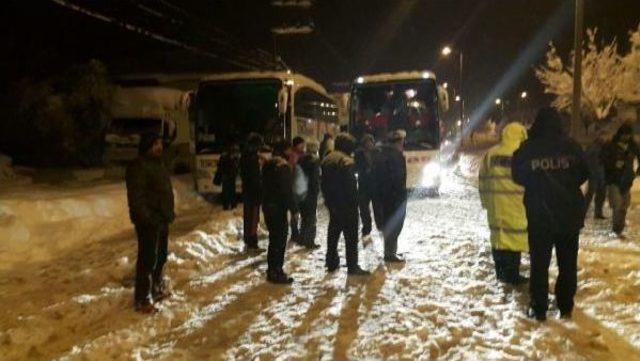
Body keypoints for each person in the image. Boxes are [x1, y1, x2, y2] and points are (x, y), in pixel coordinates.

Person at [512, 107, 589, 321]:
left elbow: (517, 175)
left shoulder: (528, 148)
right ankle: (565, 306)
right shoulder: (571, 147)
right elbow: (584, 172)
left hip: (540, 215)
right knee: (567, 263)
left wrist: (538, 183)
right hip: (569, 214)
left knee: (539, 263)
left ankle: (539, 308)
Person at [125, 132, 175, 313]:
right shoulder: (138, 166)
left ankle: (156, 288)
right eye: (155, 143)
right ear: (147, 145)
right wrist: (147, 218)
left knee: (160, 257)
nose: (159, 147)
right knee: (147, 259)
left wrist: (167, 213)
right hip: (148, 222)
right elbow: (136, 198)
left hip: (161, 220)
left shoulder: (158, 164)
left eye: (160, 143)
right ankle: (142, 298)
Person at [479, 122, 529, 285]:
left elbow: (483, 180)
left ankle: (500, 271)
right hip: (517, 205)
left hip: (495, 206)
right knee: (514, 240)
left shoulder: (491, 154)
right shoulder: (522, 154)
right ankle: (512, 274)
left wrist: (486, 202)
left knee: (498, 238)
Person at [321, 133, 370, 275]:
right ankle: (352, 265)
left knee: (333, 233)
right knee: (351, 236)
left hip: (332, 202)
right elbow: (350, 185)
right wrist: (356, 201)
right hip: (346, 204)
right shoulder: (346, 161)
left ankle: (331, 261)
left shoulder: (327, 158)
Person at [262, 140, 296, 284]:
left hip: (268, 206)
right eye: (290, 150)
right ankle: (277, 272)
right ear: (285, 151)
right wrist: (294, 210)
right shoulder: (283, 166)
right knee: (280, 240)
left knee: (273, 239)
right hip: (278, 208)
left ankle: (272, 270)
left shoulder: (268, 164)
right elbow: (286, 191)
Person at [373, 130, 408, 263]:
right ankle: (390, 254)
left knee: (388, 223)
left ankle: (390, 252)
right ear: (399, 142)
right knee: (394, 225)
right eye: (402, 141)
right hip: (394, 197)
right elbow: (398, 178)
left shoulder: (381, 154)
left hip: (384, 196)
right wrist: (400, 195)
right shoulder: (395, 156)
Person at [602, 123, 639, 236]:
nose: (626, 137)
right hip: (613, 179)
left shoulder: (633, 146)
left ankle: (620, 227)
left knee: (624, 206)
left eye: (628, 135)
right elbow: (603, 160)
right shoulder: (611, 146)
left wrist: (636, 172)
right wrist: (613, 164)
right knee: (617, 205)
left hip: (627, 180)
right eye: (624, 135)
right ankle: (617, 228)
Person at [240, 133, 264, 251]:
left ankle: (249, 240)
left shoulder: (245, 155)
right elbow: (254, 177)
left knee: (249, 218)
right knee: (253, 218)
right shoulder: (252, 158)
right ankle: (252, 242)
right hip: (253, 192)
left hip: (248, 191)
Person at [297, 140, 321, 249]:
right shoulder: (315, 160)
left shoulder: (300, 159)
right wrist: (317, 191)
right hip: (311, 193)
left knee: (304, 216)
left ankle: (302, 238)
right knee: (311, 217)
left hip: (301, 191)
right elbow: (315, 179)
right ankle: (310, 241)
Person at [354, 133, 377, 240]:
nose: (369, 144)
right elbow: (356, 166)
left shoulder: (377, 152)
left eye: (370, 142)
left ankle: (380, 225)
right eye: (367, 142)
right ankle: (366, 228)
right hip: (363, 185)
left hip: (375, 185)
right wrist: (364, 170)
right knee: (364, 209)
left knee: (378, 208)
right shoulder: (358, 153)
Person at [584, 131, 608, 219]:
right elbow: (585, 159)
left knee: (601, 194)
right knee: (590, 194)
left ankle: (598, 212)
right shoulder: (593, 147)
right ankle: (584, 211)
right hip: (594, 174)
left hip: (603, 175)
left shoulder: (606, 148)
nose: (604, 139)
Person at [287, 136, 306, 244]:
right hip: (294, 188)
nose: (303, 146)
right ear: (296, 145)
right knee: (295, 212)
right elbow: (291, 171)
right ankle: (295, 234)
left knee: (299, 212)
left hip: (300, 187)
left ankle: (297, 233)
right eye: (301, 144)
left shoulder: (300, 154)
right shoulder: (293, 155)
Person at [216, 143, 240, 210]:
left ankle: (228, 205)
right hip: (228, 175)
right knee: (230, 191)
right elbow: (236, 166)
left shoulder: (225, 156)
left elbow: (220, 166)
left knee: (228, 191)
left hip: (228, 175)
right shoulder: (231, 157)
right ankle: (230, 205)